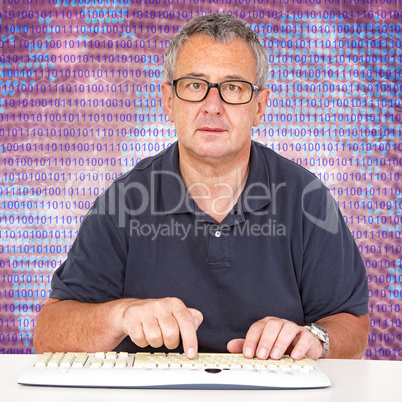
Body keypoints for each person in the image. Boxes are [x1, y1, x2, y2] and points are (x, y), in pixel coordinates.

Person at [34, 14, 369, 361]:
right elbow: (49, 332)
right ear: (168, 100)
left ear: (260, 106)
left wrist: (316, 338)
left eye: (233, 87)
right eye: (195, 85)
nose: (213, 106)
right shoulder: (122, 202)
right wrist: (120, 314)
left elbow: (353, 324)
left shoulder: (307, 199)